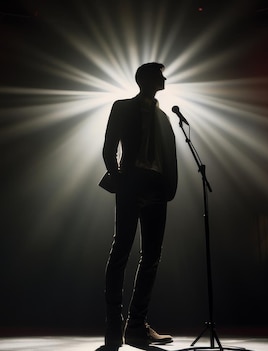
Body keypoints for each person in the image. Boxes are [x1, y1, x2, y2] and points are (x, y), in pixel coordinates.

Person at [100, 62, 178, 348]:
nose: (165, 78)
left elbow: (169, 157)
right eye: (160, 75)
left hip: (157, 187)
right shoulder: (122, 107)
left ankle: (136, 325)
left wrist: (168, 189)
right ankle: (113, 325)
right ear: (146, 79)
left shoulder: (164, 118)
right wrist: (120, 181)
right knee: (121, 249)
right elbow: (109, 148)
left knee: (151, 255)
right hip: (131, 182)